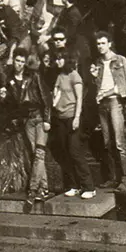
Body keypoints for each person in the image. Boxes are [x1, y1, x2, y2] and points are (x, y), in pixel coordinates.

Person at [0, 47, 51, 209]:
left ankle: (33, 190)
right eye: (17, 61)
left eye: (22, 61)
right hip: (27, 120)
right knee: (36, 154)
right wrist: (4, 97)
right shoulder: (9, 80)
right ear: (13, 60)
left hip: (39, 117)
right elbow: (12, 105)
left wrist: (47, 119)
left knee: (40, 153)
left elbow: (45, 98)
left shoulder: (33, 76)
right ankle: (44, 188)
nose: (19, 64)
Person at [90, 31, 126, 191]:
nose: (100, 46)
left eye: (103, 43)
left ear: (109, 44)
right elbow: (99, 85)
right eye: (98, 44)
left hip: (115, 102)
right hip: (102, 104)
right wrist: (94, 77)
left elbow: (125, 84)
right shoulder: (98, 63)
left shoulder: (120, 60)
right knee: (107, 143)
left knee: (119, 142)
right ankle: (113, 178)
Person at [50, 53, 95, 199]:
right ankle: (74, 185)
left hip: (72, 118)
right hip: (60, 118)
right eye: (56, 59)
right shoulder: (59, 76)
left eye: (60, 58)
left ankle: (89, 186)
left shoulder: (74, 75)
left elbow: (79, 99)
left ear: (66, 59)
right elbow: (56, 96)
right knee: (65, 152)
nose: (57, 61)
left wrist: (76, 118)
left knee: (75, 151)